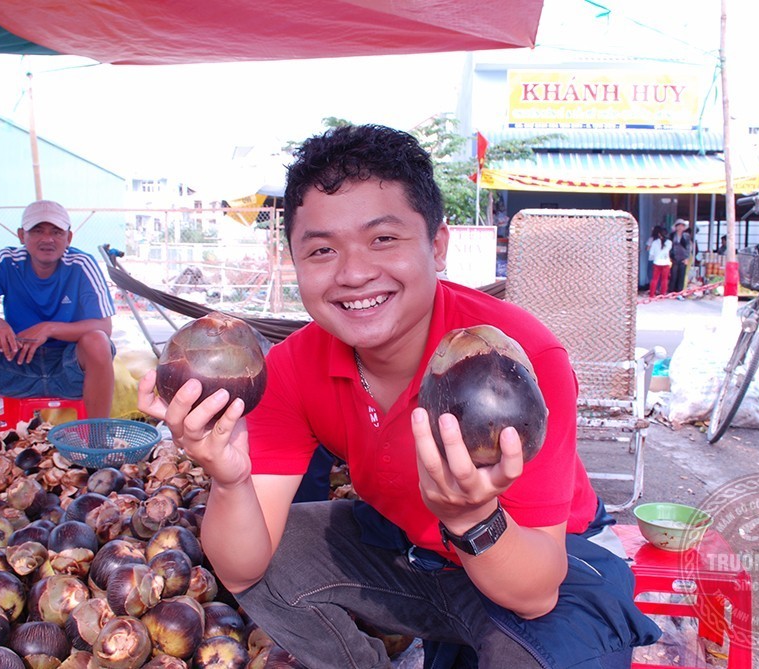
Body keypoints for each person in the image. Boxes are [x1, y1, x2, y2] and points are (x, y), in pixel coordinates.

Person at [138, 125, 660, 668]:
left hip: (544, 563)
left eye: (383, 239)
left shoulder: (515, 358)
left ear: (437, 244)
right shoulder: (292, 366)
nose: (355, 273)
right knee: (274, 551)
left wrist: (474, 516)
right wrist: (230, 477)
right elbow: (243, 571)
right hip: (418, 556)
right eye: (321, 250)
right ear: (294, 262)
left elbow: (534, 594)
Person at [0, 200, 116, 437]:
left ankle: (97, 442)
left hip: (69, 370)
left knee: (97, 341)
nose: (47, 239)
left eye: (56, 232)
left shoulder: (82, 264)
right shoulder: (5, 261)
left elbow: (104, 326)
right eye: (37, 231)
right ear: (22, 235)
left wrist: (49, 328)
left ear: (69, 238)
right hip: (16, 362)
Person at [646, 225, 672, 298]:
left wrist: (655, 257)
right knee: (664, 280)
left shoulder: (654, 242)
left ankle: (652, 294)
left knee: (654, 279)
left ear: (659, 234)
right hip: (666, 263)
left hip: (656, 263)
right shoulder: (669, 242)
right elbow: (668, 251)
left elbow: (651, 253)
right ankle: (662, 294)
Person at [668, 219, 692, 297]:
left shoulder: (686, 236)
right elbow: (669, 246)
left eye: (682, 226)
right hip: (674, 257)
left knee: (681, 275)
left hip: (683, 257)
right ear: (676, 227)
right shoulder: (672, 235)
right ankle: (671, 292)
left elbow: (688, 247)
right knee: (673, 275)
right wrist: (669, 257)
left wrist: (687, 258)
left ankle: (679, 293)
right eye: (679, 226)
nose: (680, 227)